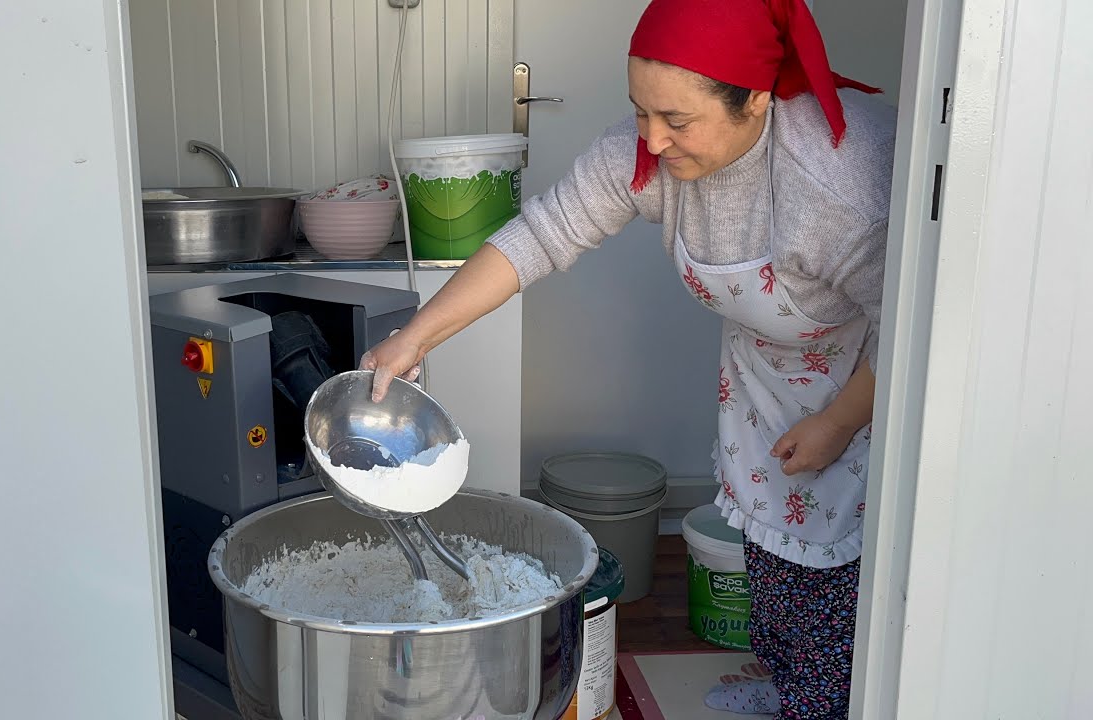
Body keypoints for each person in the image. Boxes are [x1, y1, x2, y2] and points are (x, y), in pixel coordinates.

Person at [363, 0, 895, 716]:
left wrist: (837, 422)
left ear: (757, 98)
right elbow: (541, 234)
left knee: (840, 569)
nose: (653, 139)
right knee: (771, 540)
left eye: (677, 121)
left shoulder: (840, 189)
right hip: (765, 367)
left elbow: (916, 330)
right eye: (641, 112)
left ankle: (826, 702)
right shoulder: (647, 151)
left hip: (869, 375)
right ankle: (786, 682)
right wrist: (417, 335)